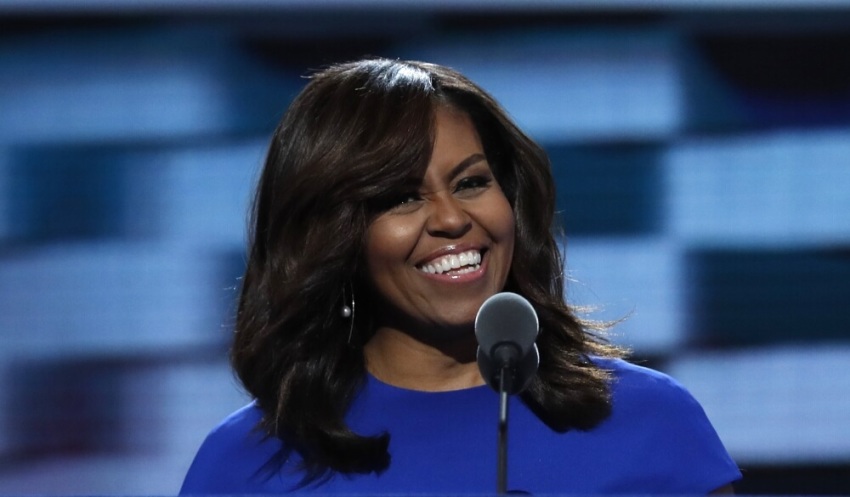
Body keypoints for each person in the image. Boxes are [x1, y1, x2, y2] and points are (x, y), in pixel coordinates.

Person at [180, 58, 741, 494]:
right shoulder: (247, 466)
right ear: (331, 238)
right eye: (400, 197)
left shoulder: (649, 423)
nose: (451, 219)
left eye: (472, 183)